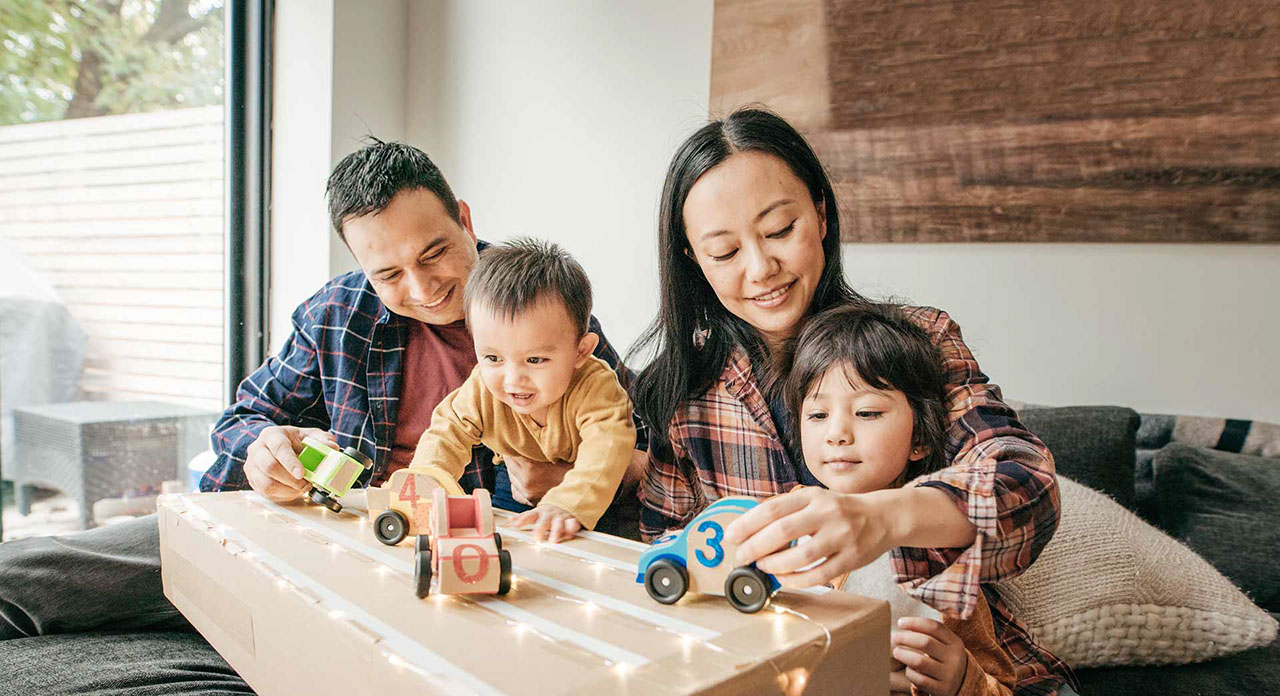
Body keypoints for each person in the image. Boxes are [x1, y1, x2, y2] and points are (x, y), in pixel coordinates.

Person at [0, 140, 642, 693]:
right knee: (29, 575)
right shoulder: (339, 314)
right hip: (327, 529)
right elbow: (241, 419)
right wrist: (263, 449)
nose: (422, 288)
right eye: (388, 272)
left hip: (455, 566)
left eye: (435, 252)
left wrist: (569, 483)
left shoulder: (547, 312)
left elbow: (641, 459)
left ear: (465, 219)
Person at [629, 108, 1069, 694]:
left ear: (820, 214)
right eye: (725, 252)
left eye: (780, 230)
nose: (761, 269)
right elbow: (667, 552)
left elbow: (1029, 486)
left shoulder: (919, 341)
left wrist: (882, 519)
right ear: (693, 261)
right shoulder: (682, 392)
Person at [784, 303, 1070, 696]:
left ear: (919, 439)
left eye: (866, 412)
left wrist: (959, 678)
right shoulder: (784, 518)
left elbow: (997, 682)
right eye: (817, 415)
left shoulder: (935, 549)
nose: (837, 433)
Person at [409, 238, 636, 542]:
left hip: (591, 493)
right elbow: (446, 431)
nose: (513, 379)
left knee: (584, 552)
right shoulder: (482, 389)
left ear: (581, 351)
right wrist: (424, 479)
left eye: (535, 359)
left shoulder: (596, 387)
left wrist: (567, 504)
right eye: (493, 358)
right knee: (504, 542)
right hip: (512, 486)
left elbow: (607, 446)